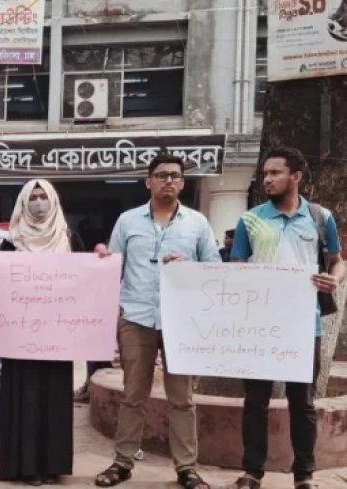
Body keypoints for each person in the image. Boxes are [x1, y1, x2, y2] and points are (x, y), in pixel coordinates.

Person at [93, 154, 219, 489]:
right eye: (161, 175)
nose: (168, 181)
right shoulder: (127, 221)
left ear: (183, 182)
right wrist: (102, 258)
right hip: (136, 318)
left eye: (175, 176)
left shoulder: (197, 223)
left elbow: (214, 270)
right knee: (133, 394)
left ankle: (186, 468)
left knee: (182, 399)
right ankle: (122, 462)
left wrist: (186, 267)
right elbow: (113, 266)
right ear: (147, 181)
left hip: (181, 322)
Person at [228, 147, 345, 489]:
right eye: (265, 173)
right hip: (259, 326)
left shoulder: (321, 218)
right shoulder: (250, 219)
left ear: (296, 176)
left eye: (276, 173)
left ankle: (304, 476)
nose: (267, 179)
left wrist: (334, 278)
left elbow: (337, 260)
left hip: (304, 325)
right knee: (255, 402)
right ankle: (252, 472)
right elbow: (237, 267)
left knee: (303, 403)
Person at [0, 179, 83, 486]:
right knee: (23, 396)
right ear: (23, 203)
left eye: (44, 197)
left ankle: (50, 464)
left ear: (54, 201)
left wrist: (102, 259)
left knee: (53, 396)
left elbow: (87, 280)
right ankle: (20, 465)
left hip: (57, 336)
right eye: (34, 197)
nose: (39, 202)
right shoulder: (11, 241)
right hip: (21, 337)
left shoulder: (69, 238)